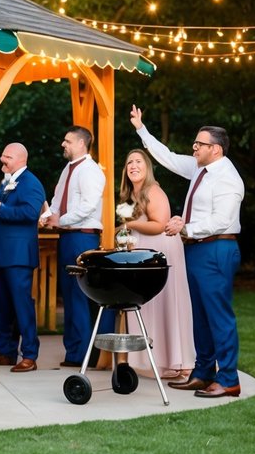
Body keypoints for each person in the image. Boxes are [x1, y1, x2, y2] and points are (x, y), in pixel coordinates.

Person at [130, 106, 244, 398]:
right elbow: (166, 156)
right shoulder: (198, 169)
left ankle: (229, 379)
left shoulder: (228, 178)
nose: (194, 147)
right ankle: (203, 373)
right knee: (201, 316)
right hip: (196, 250)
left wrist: (186, 227)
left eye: (199, 144)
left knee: (219, 316)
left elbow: (221, 219)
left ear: (215, 149)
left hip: (217, 248)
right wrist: (141, 129)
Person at [116, 147, 195, 380]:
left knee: (169, 304)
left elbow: (159, 224)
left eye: (139, 161)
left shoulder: (153, 190)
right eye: (129, 162)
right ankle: (167, 361)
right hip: (145, 255)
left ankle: (183, 361)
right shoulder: (130, 196)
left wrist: (128, 226)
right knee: (154, 307)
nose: (133, 166)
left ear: (147, 167)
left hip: (163, 253)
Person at [46, 125, 106, 367]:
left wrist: (61, 220)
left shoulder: (91, 171)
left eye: (68, 141)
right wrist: (48, 216)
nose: (63, 144)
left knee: (81, 295)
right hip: (68, 236)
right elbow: (57, 201)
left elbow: (88, 206)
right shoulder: (67, 170)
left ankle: (84, 355)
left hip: (83, 237)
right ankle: (73, 353)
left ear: (82, 144)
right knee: (69, 296)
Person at [0, 142, 46, 372]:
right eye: (2, 156)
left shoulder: (31, 183)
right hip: (3, 254)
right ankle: (5, 351)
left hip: (19, 256)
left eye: (7, 157)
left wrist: (1, 209)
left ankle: (30, 354)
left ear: (21, 159)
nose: (2, 160)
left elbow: (31, 213)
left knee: (22, 306)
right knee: (2, 306)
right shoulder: (8, 181)